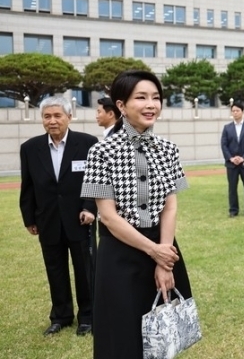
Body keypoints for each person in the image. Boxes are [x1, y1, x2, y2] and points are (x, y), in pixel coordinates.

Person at [81, 70, 193, 358]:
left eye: (156, 98)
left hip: (164, 247)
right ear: (121, 105)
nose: (151, 104)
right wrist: (154, 251)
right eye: (141, 97)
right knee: (120, 336)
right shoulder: (101, 151)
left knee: (162, 335)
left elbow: (170, 205)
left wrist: (164, 259)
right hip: (120, 253)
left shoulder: (168, 149)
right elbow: (108, 216)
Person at [19, 96, 98, 336]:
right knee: (55, 269)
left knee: (85, 270)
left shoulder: (87, 143)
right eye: (47, 116)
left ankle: (88, 316)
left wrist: (89, 208)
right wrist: (29, 218)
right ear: (42, 119)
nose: (52, 121)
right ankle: (61, 316)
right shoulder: (30, 148)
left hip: (80, 219)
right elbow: (28, 186)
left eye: (57, 116)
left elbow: (94, 181)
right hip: (48, 220)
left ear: (68, 117)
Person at [221, 101, 244, 217]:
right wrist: (230, 158)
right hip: (231, 164)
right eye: (233, 111)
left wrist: (243, 157)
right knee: (232, 188)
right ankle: (233, 210)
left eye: (237, 111)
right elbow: (224, 144)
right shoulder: (227, 128)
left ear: (242, 112)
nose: (235, 113)